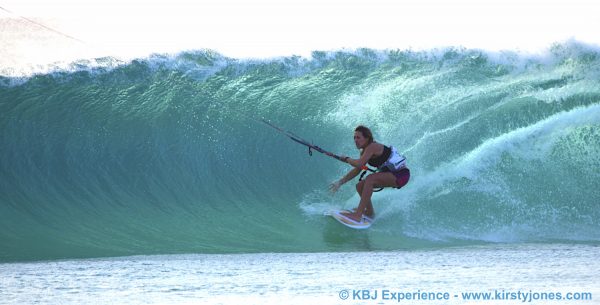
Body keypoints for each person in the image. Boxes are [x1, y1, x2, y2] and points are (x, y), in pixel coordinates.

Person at [328, 125, 410, 223]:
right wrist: (340, 182)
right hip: (391, 174)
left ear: (367, 138)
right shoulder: (364, 151)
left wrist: (346, 159)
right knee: (360, 186)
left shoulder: (373, 146)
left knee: (370, 179)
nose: (355, 140)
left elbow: (359, 163)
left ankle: (357, 215)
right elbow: (357, 169)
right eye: (354, 137)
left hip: (401, 175)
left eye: (358, 137)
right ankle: (369, 212)